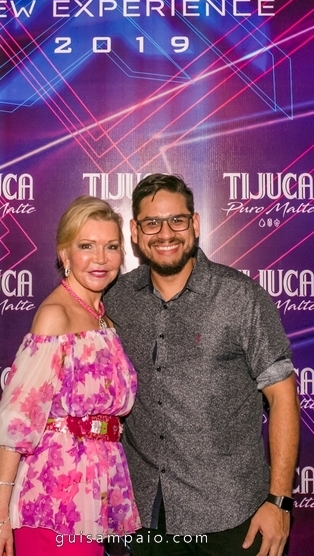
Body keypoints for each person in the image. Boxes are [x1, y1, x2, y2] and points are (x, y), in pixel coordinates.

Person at [104, 174, 299, 556]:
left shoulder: (240, 297)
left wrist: (279, 501)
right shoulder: (117, 298)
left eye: (176, 220)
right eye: (152, 223)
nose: (165, 234)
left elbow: (283, 397)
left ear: (194, 224)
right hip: (144, 514)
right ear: (135, 232)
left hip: (232, 514)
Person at [0, 196, 141, 556]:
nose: (100, 258)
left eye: (111, 246)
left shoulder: (103, 318)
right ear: (64, 254)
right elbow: (18, 422)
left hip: (94, 495)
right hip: (53, 497)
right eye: (86, 246)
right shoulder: (56, 315)